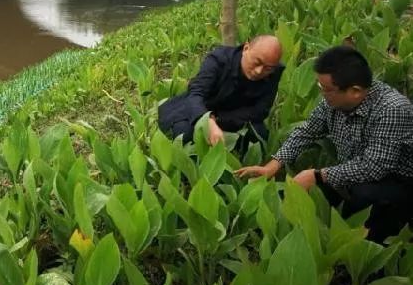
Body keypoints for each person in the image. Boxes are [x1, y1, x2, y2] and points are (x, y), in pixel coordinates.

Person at [236, 46, 413, 243]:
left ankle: (374, 247)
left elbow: (375, 166)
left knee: (364, 196)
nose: (322, 94)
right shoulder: (332, 102)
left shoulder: (392, 109)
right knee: (299, 195)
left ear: (355, 91)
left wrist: (318, 175)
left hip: (397, 184)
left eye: (326, 89)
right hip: (353, 177)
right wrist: (273, 164)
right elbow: (307, 132)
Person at [158, 35, 284, 145]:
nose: (259, 71)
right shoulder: (219, 59)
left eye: (267, 68)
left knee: (260, 134)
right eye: (257, 62)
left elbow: (260, 110)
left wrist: (218, 121)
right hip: (200, 110)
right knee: (185, 134)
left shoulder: (274, 71)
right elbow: (196, 93)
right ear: (246, 48)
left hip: (234, 117)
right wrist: (207, 120)